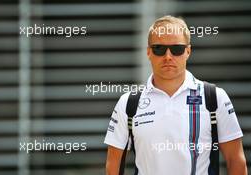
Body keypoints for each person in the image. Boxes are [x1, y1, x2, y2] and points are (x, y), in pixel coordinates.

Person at [104, 15, 247, 175]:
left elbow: (236, 161)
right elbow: (113, 166)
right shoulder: (128, 102)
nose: (168, 56)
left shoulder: (214, 97)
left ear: (188, 51)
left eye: (177, 49)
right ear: (149, 52)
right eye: (159, 49)